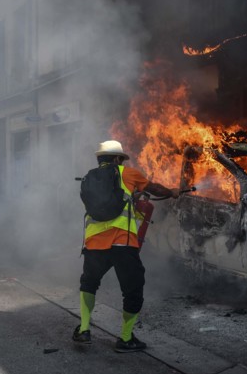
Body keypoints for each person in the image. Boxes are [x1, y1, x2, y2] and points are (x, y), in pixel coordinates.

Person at [72, 140, 179, 352]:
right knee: (133, 288)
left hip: (94, 243)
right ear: (117, 159)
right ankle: (126, 338)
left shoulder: (89, 178)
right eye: (121, 158)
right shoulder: (126, 173)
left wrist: (131, 197)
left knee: (89, 283)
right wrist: (172, 191)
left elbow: (106, 205)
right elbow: (154, 188)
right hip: (122, 242)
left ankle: (84, 329)